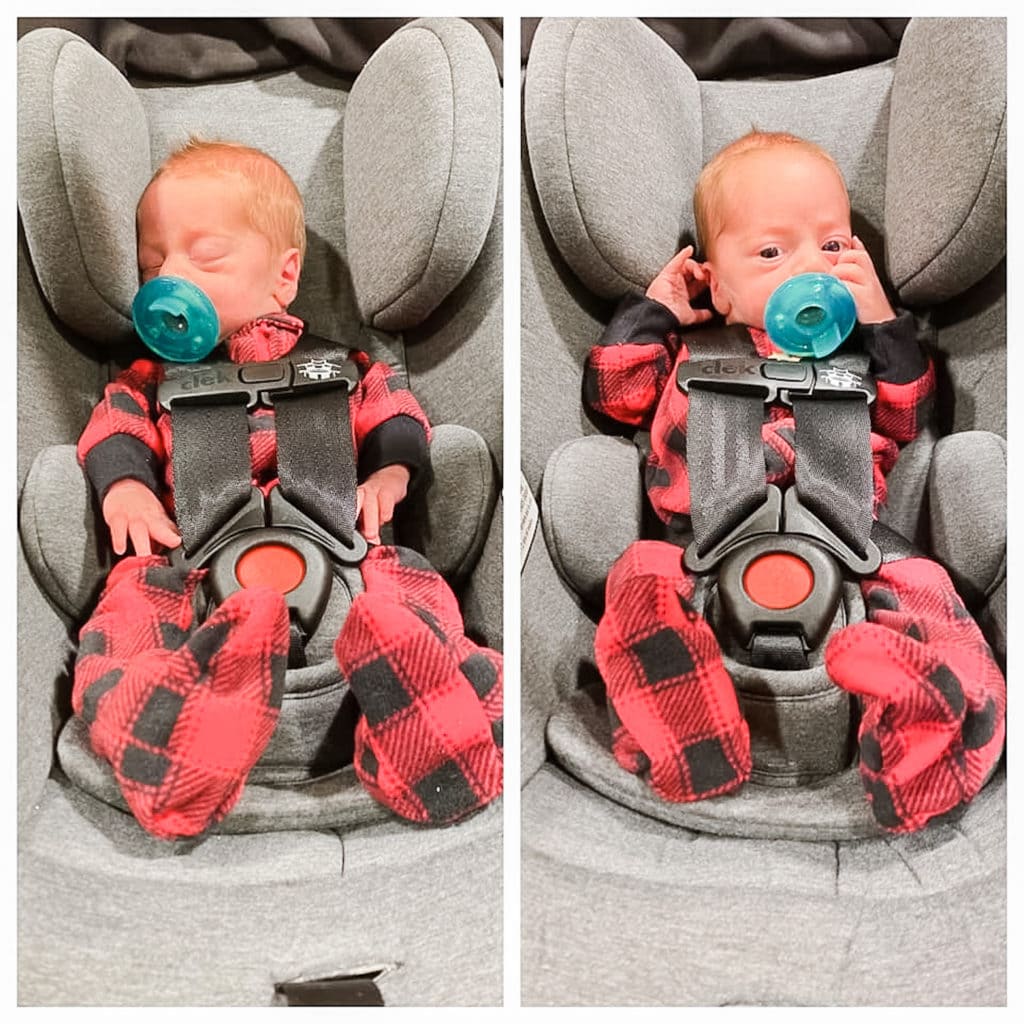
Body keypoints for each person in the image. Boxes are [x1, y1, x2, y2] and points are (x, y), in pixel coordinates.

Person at [73, 139, 502, 840]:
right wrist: (124, 487)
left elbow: (397, 413)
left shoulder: (346, 364)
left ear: (283, 276)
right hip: (193, 557)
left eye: (203, 256)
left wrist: (391, 471)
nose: (168, 278)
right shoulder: (148, 380)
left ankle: (437, 727)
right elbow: (113, 429)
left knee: (413, 601)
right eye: (152, 265)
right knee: (125, 613)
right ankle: (172, 740)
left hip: (343, 543)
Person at [585, 131, 1004, 833]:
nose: (811, 265)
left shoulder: (860, 357)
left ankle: (932, 737)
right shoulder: (692, 351)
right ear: (717, 284)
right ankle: (685, 727)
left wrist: (881, 326)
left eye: (834, 246)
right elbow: (615, 392)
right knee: (636, 580)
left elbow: (907, 413)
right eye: (772, 252)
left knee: (932, 594)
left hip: (855, 542)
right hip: (701, 543)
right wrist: (658, 310)